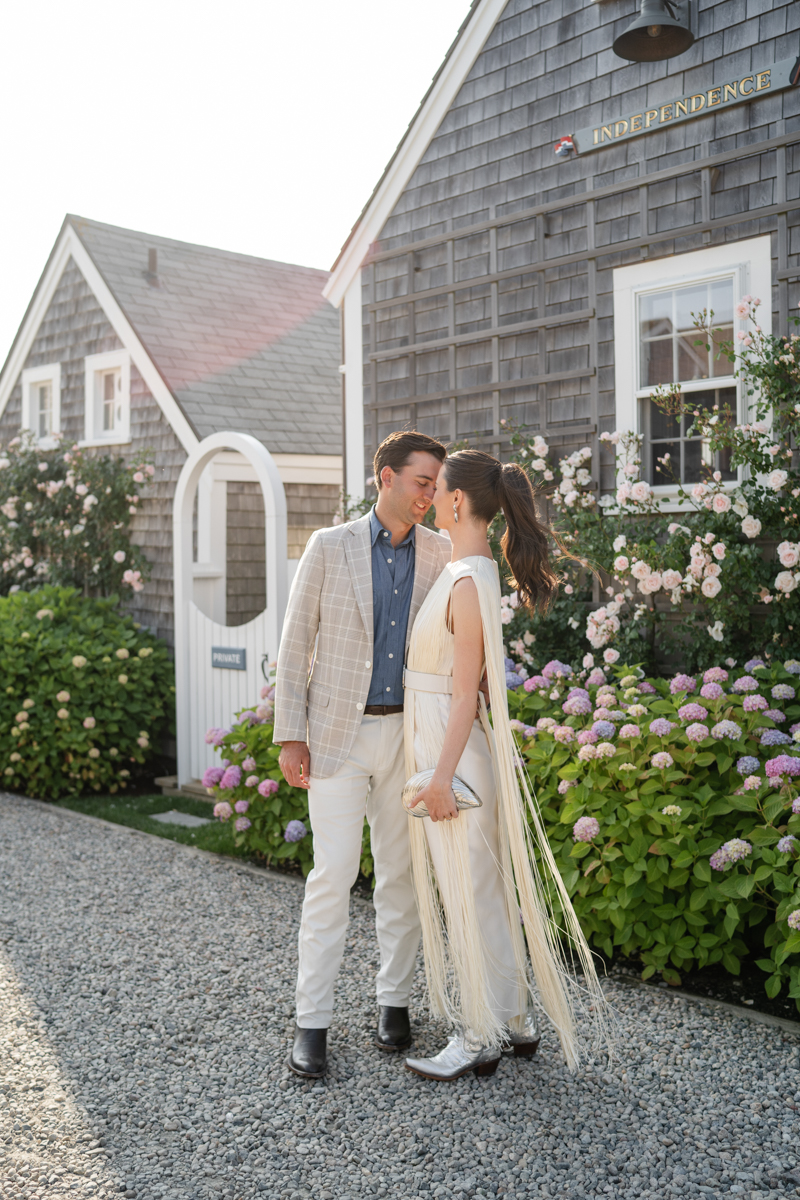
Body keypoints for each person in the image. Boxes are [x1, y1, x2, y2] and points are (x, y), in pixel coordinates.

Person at [402, 449, 609, 1082]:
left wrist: (440, 777)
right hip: (460, 746)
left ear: (459, 501)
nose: (433, 500)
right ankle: (512, 1020)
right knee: (484, 895)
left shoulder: (466, 581)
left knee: (469, 896)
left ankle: (477, 1035)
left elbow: (467, 694)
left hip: (453, 752)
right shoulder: (479, 572)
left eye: (438, 491)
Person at [274, 430, 451, 1079]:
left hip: (408, 738)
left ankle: (393, 1003)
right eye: (421, 481)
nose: (431, 493)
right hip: (336, 741)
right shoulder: (329, 547)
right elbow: (296, 647)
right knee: (332, 875)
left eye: (436, 483)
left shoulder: (441, 554)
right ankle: (311, 1023)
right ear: (385, 478)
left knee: (402, 876)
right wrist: (291, 734)